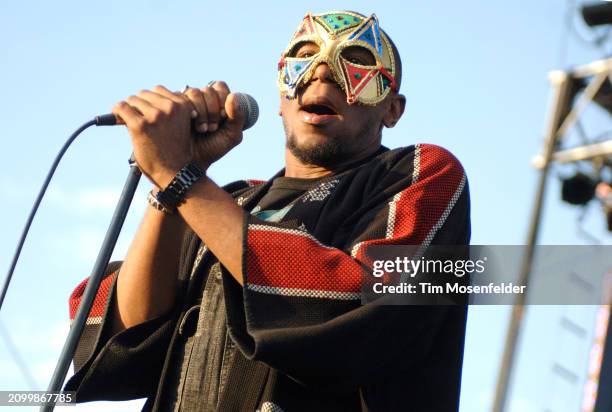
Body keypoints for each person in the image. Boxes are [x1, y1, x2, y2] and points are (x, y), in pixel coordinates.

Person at [65, 10, 471, 411]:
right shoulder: (227, 203)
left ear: (392, 109)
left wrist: (182, 178)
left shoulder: (421, 174)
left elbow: (353, 301)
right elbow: (123, 342)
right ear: (282, 98)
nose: (322, 71)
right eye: (305, 54)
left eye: (356, 60)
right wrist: (171, 190)